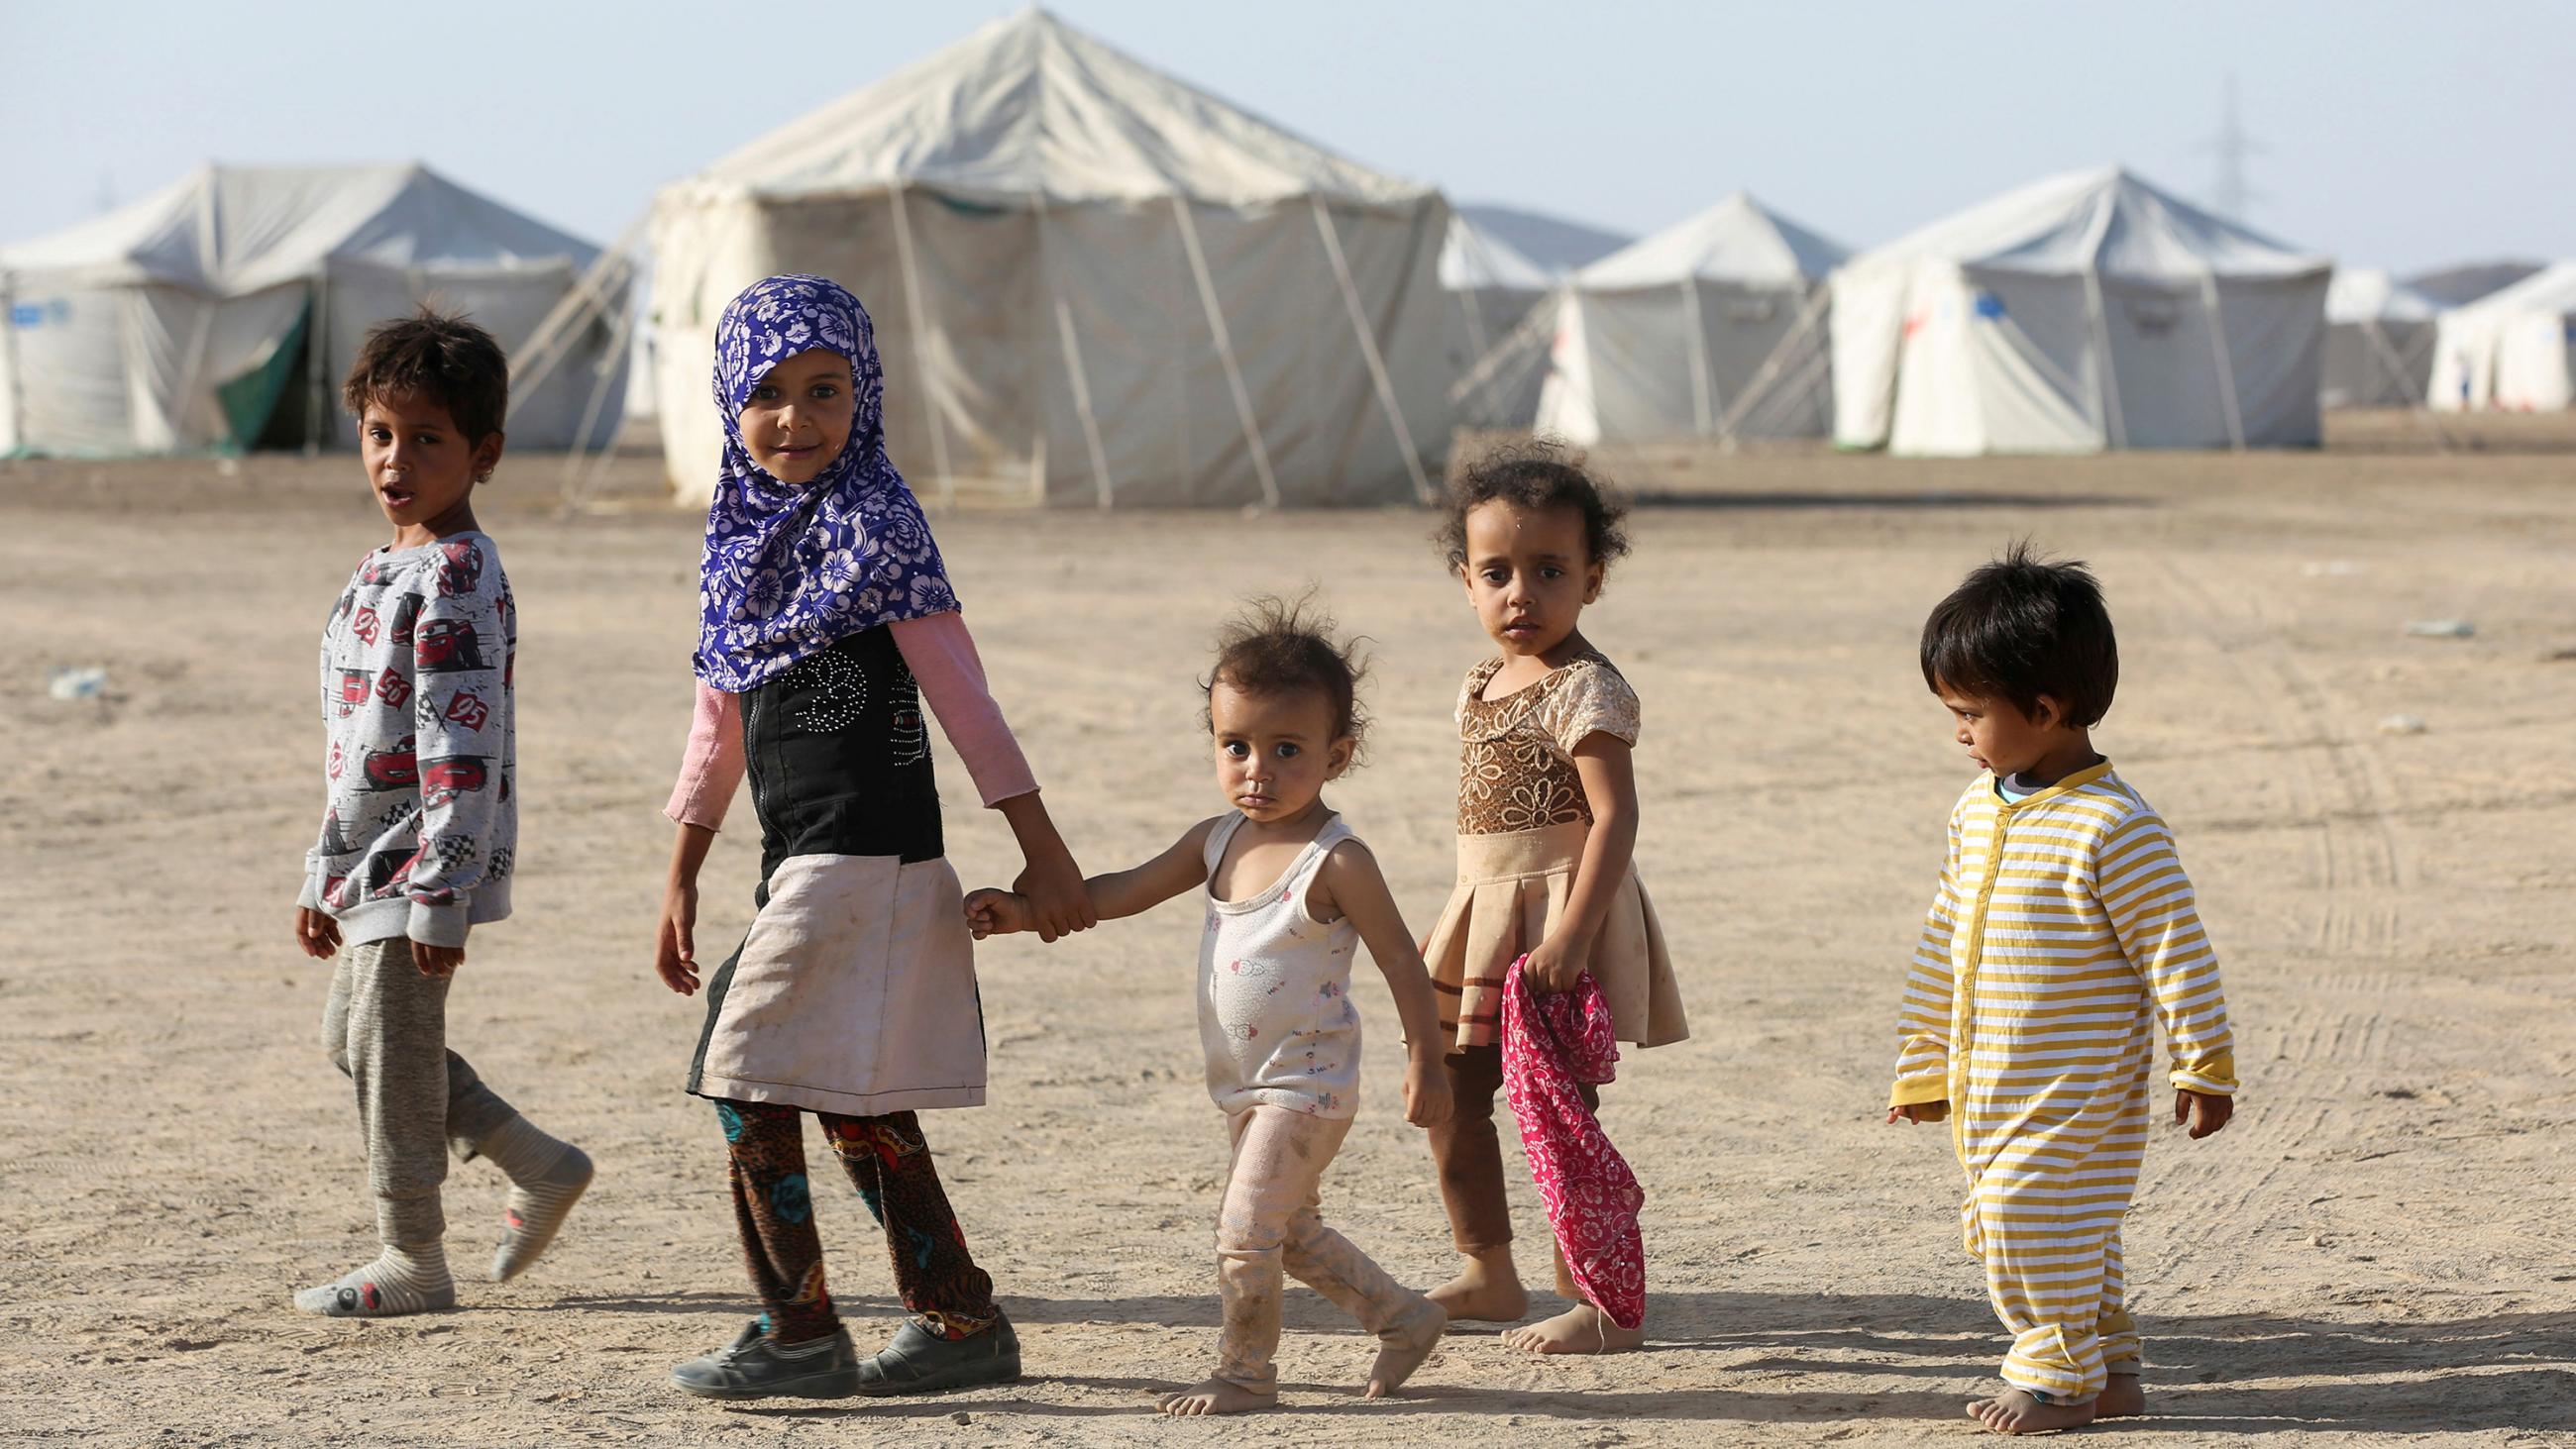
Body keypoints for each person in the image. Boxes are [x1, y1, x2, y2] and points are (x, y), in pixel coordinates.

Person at [652, 274, 1093, 1400]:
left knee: (744, 1071)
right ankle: (959, 1319)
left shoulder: (880, 529)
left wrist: (1043, 851)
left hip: (867, 853)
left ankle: (797, 1329)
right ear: (727, 404)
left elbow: (967, 701)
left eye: (825, 390)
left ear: (868, 395)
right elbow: (715, 731)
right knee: (852, 1093)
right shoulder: (739, 554)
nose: (795, 418)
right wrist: (679, 878)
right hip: (801, 859)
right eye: (767, 394)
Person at [966, 599, 1452, 1416]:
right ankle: (1404, 1317)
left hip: (1309, 1085)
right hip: (1245, 1086)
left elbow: (1404, 959)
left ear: (1340, 753)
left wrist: (1426, 1058)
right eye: (1236, 746)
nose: (1257, 768)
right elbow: (1120, 891)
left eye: (1286, 749)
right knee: (1288, 1233)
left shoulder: (1339, 859)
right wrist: (1026, 911)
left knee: (1243, 1228)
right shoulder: (1215, 839)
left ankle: (1244, 1375)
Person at [1887, 543, 2238, 1435]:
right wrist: (1924, 1062)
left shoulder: (2115, 826)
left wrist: (2204, 1064)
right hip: (1988, 1082)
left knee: (2019, 1221)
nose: (1957, 733)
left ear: (2046, 708)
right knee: (2071, 1229)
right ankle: (2111, 1365)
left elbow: (2176, 950)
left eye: (1970, 713)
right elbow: (1944, 939)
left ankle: (2052, 1376)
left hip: (2075, 1090)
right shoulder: (1978, 809)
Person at [291, 310, 592, 1317]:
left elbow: (461, 749)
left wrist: (442, 891)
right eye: (381, 434)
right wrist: (319, 873)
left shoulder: (459, 573)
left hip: (420, 859)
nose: (396, 458)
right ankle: (535, 1158)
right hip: (364, 858)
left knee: (387, 1040)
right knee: (360, 1039)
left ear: (484, 452)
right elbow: (350, 741)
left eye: (426, 438)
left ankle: (412, 1251)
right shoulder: (380, 565)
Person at [1416, 443, 1686, 1354]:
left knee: (1561, 1109)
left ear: (1593, 578)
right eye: (1497, 572)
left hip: (1558, 923)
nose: (1520, 594)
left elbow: (1615, 817)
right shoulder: (1478, 684)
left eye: (1550, 571)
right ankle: (1489, 1268)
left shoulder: (1589, 686)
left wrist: (1571, 935)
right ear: (1466, 580)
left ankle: (1597, 1301)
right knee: (1456, 1093)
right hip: (1483, 911)